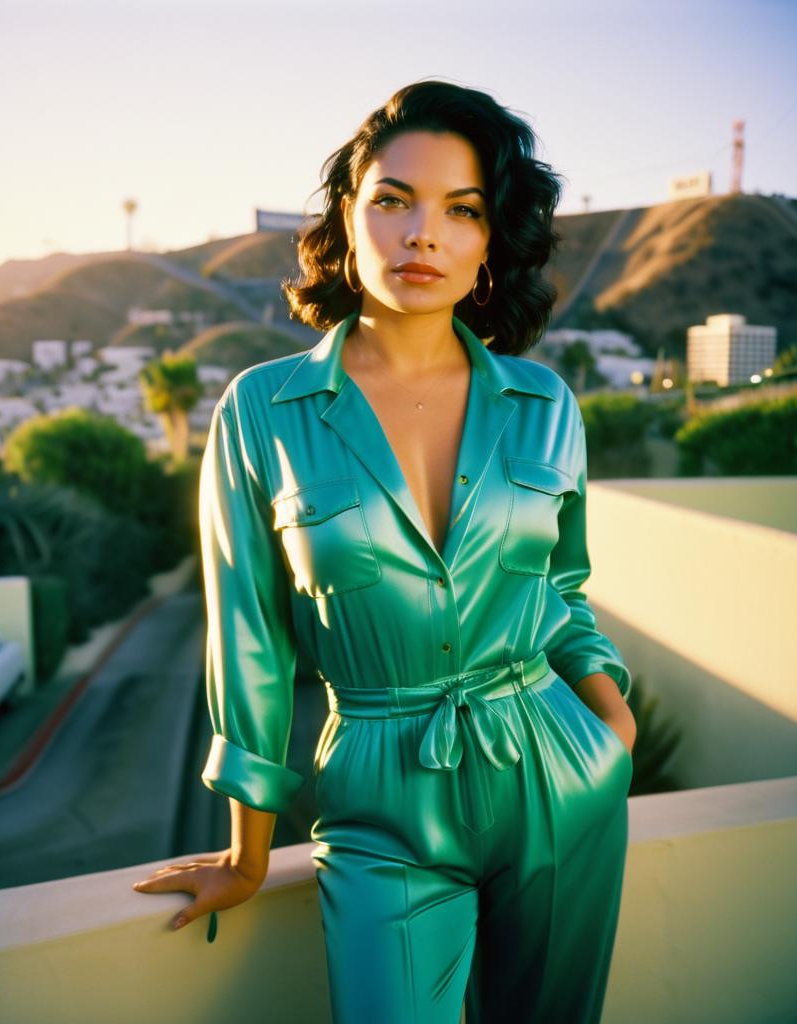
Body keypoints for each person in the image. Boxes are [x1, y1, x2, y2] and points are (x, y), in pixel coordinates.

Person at [133, 78, 637, 1024]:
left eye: (463, 210)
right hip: (376, 798)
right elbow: (249, 640)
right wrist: (247, 853)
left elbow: (564, 591)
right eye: (394, 200)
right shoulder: (261, 411)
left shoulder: (546, 406)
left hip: (557, 775)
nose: (423, 236)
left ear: (491, 243)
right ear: (346, 215)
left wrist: (613, 726)